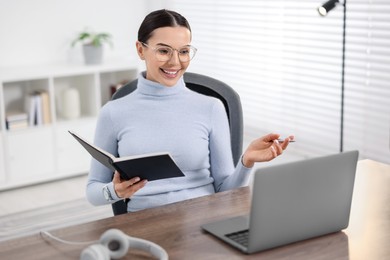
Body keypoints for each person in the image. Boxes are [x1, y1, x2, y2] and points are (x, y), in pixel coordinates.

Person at [86, 9, 294, 212]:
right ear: (141, 50)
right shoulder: (113, 113)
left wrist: (246, 162)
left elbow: (225, 191)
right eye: (163, 50)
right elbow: (93, 191)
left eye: (184, 51)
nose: (175, 62)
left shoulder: (211, 108)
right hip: (145, 225)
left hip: (203, 220)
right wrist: (115, 191)